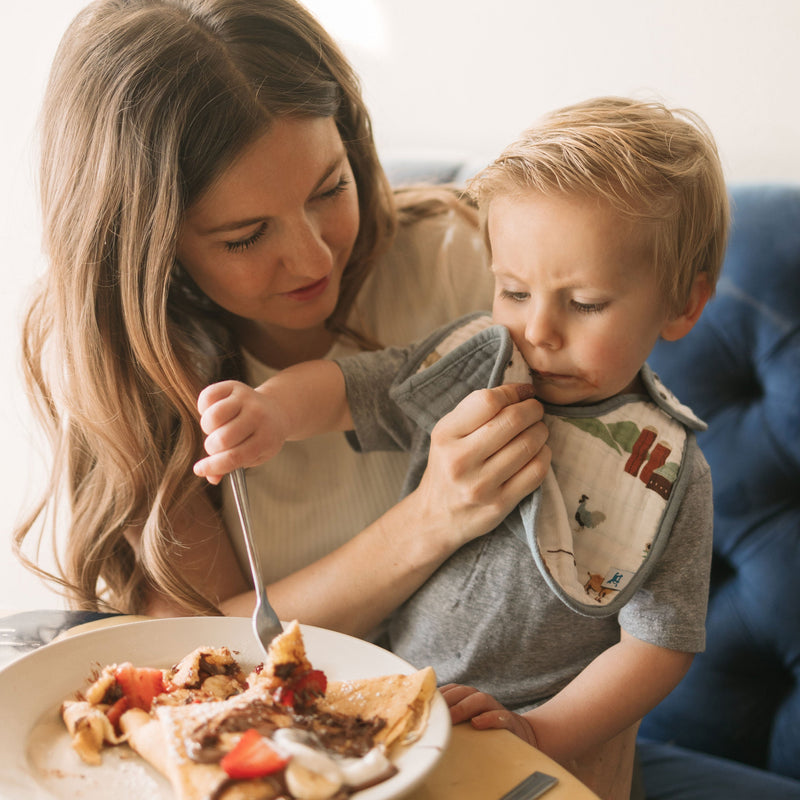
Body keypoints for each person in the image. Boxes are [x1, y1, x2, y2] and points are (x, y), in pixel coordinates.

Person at [192, 96, 727, 799]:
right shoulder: (479, 359)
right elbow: (360, 389)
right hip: (398, 719)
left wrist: (541, 730)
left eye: (586, 303)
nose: (539, 330)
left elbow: (659, 647)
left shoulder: (664, 471)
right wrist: (272, 411)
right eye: (513, 290)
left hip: (549, 757)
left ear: (683, 305)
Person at [14, 0, 550, 625]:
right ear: (150, 251)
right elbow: (197, 637)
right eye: (245, 236)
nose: (312, 258)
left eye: (330, 189)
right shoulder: (135, 368)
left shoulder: (464, 261)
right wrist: (429, 520)